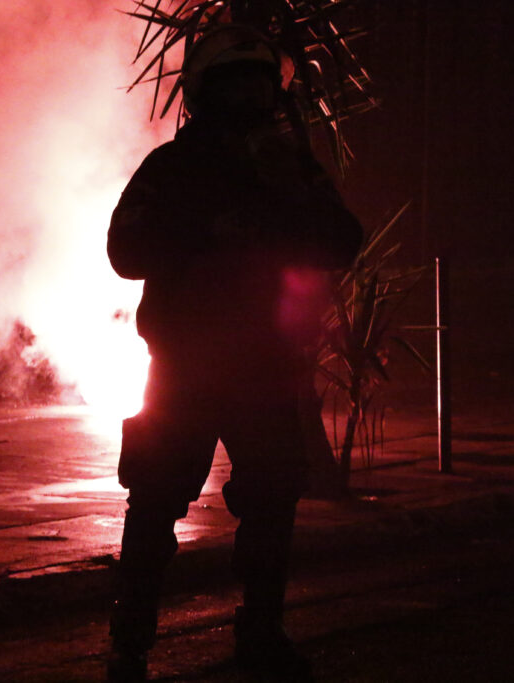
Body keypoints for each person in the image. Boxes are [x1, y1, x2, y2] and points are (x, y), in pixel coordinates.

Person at [106, 24, 363, 682]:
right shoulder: (171, 169)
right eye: (237, 85)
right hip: (185, 369)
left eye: (260, 85)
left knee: (274, 500)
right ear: (207, 93)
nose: (252, 97)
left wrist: (289, 200)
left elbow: (343, 239)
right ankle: (130, 643)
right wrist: (200, 232)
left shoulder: (289, 167)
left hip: (265, 369)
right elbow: (124, 252)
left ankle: (262, 634)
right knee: (156, 502)